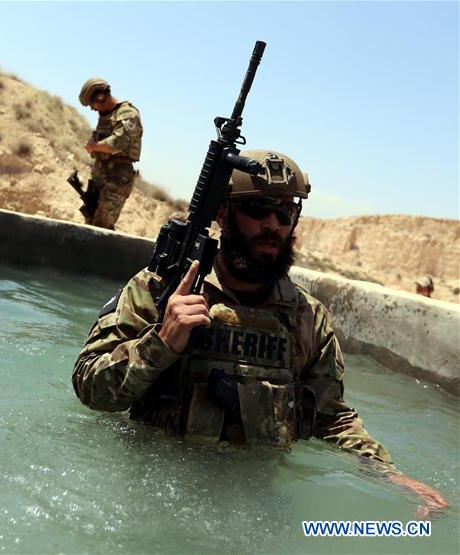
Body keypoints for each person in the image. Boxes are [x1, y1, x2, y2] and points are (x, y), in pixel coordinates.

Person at [72, 150, 447, 517]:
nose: (273, 224)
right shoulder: (160, 291)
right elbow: (89, 388)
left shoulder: (307, 318)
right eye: (257, 209)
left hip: (256, 507)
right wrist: (162, 343)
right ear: (222, 213)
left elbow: (331, 417)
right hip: (151, 499)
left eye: (285, 212)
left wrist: (388, 474)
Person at [77, 77, 143, 230]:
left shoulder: (128, 113)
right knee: (90, 221)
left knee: (102, 225)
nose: (93, 109)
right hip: (100, 174)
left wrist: (94, 146)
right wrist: (93, 140)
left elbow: (119, 142)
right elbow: (100, 135)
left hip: (117, 179)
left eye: (92, 104)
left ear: (100, 96)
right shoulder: (106, 115)